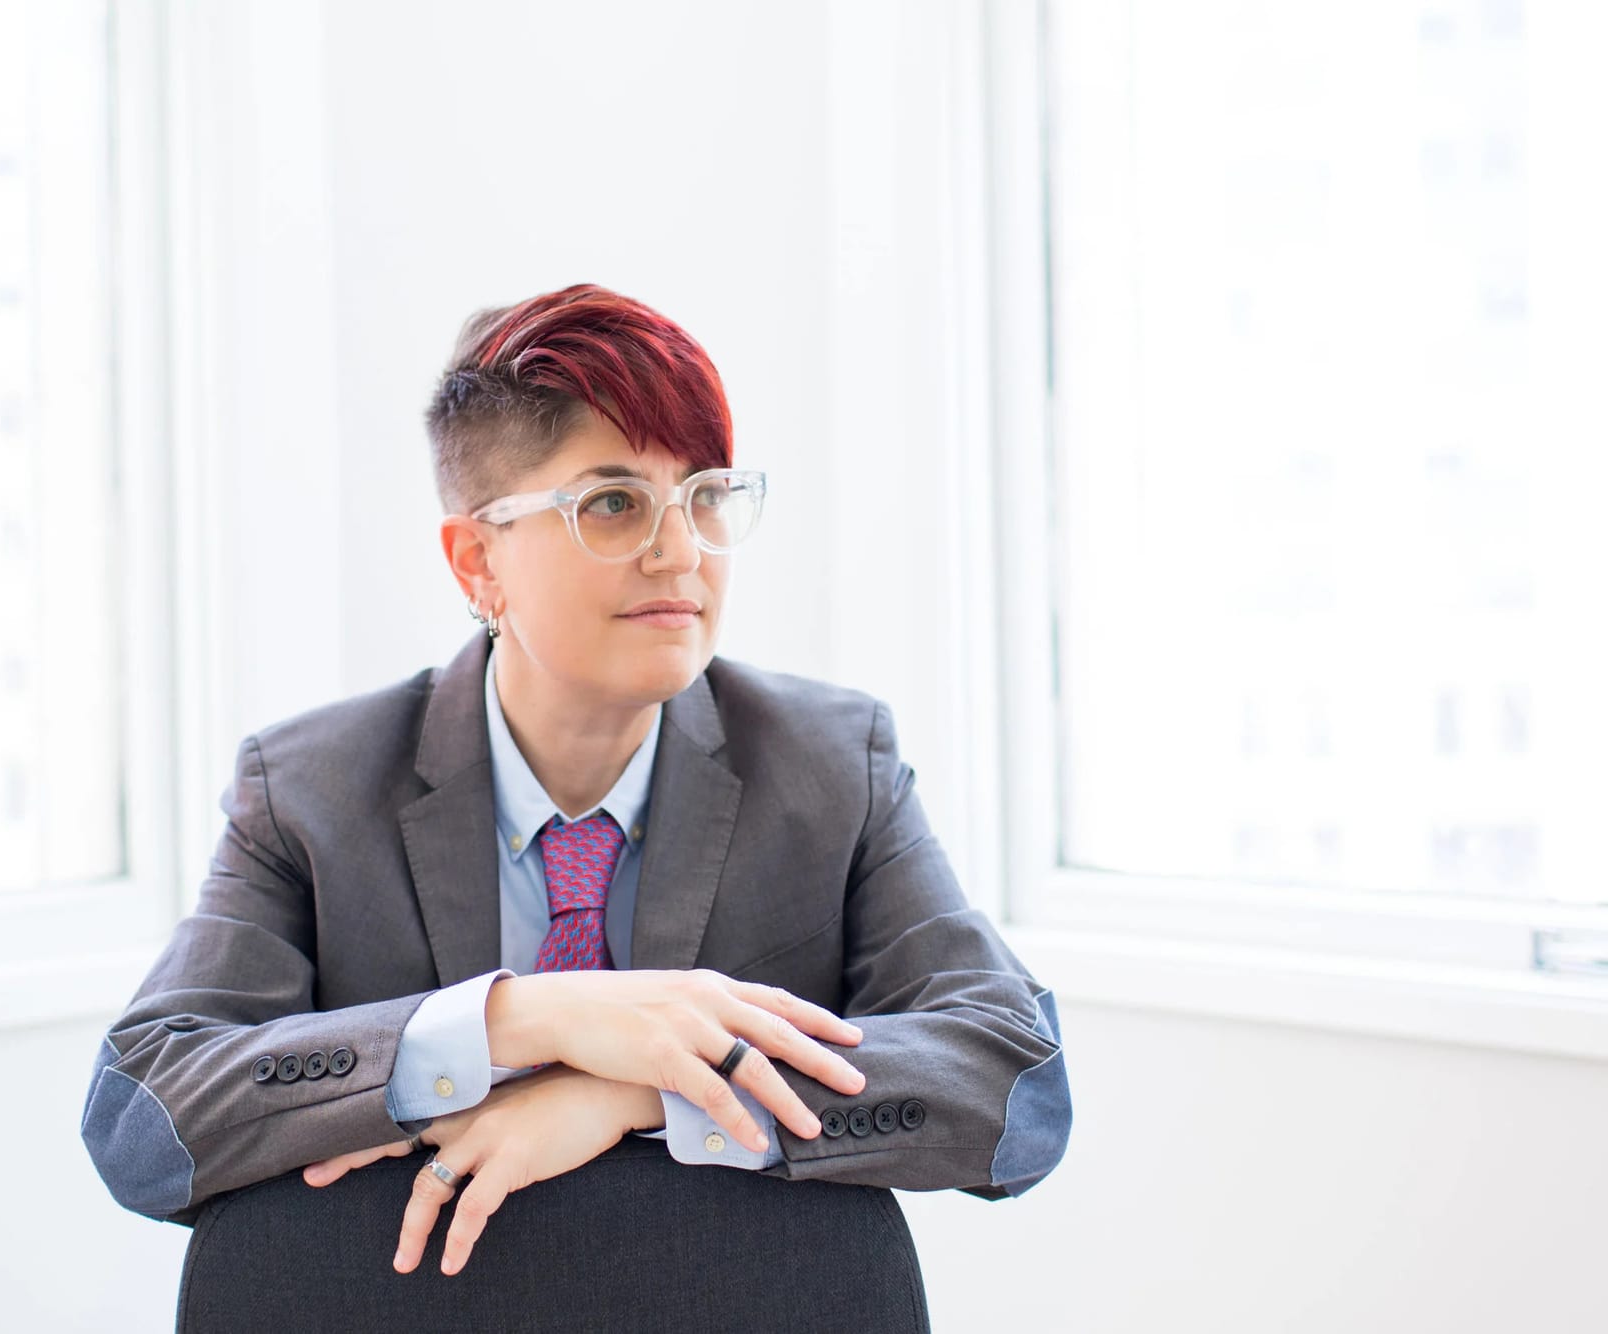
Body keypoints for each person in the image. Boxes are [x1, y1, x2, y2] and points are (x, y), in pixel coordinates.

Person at [79, 282, 1071, 1278]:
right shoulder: (310, 786)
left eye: (704, 495)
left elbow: (1014, 1084)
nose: (680, 552)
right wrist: (526, 1019)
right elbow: (142, 1115)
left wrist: (646, 1082)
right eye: (612, 502)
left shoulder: (827, 763)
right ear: (477, 561)